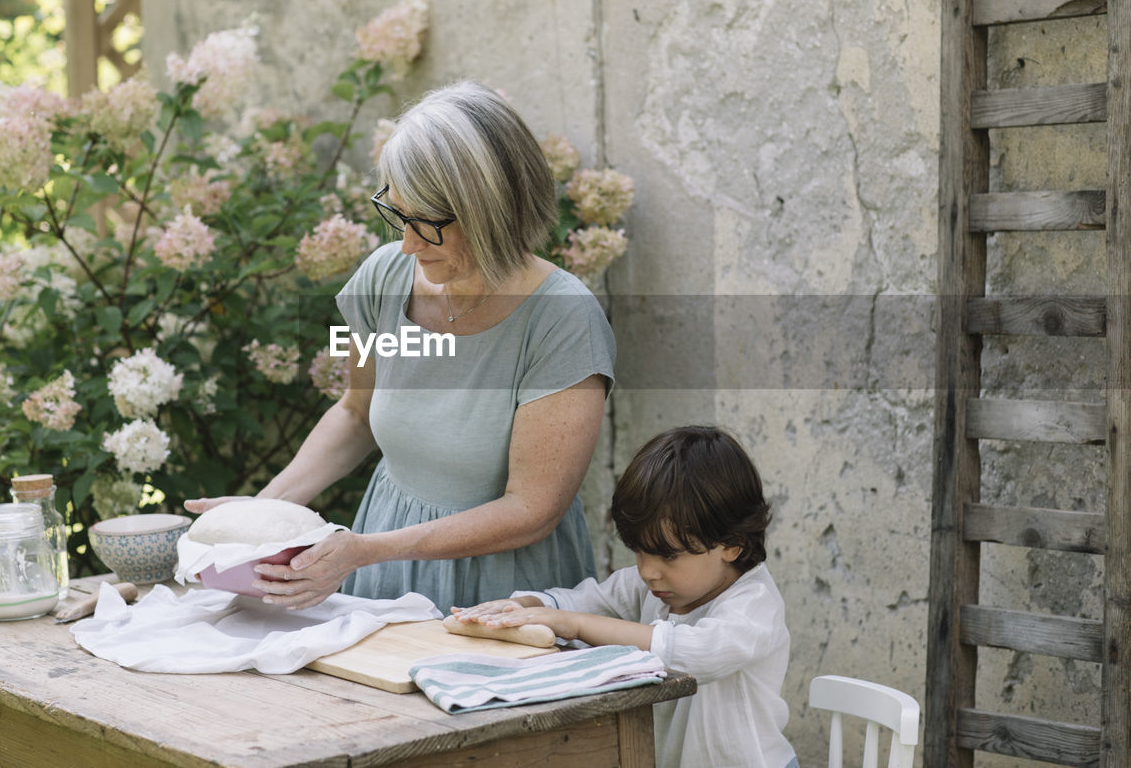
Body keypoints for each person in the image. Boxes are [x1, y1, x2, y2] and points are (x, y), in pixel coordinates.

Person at [187, 80, 615, 613]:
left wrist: (368, 551)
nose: (408, 245)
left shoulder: (564, 320)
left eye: (427, 225)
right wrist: (259, 516)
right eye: (398, 215)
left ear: (491, 212)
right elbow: (354, 412)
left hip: (503, 593)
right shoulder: (383, 278)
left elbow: (533, 510)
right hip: (380, 567)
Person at [452, 425, 798, 768]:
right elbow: (586, 600)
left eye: (668, 555)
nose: (648, 571)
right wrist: (528, 607)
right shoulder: (655, 586)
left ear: (732, 545)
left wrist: (575, 625)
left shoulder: (753, 605)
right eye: (639, 552)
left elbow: (696, 654)